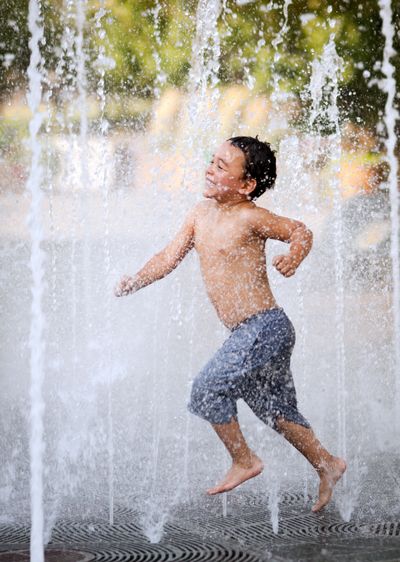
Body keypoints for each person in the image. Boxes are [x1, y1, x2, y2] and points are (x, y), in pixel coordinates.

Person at [115, 136, 346, 512]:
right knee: (275, 409)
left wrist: (295, 257)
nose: (211, 169)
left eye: (223, 166)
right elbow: (168, 257)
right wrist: (135, 281)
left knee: (207, 389)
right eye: (212, 161)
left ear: (246, 185)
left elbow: (300, 230)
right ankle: (328, 463)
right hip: (251, 332)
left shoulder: (250, 216)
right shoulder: (199, 214)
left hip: (264, 327)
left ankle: (244, 460)